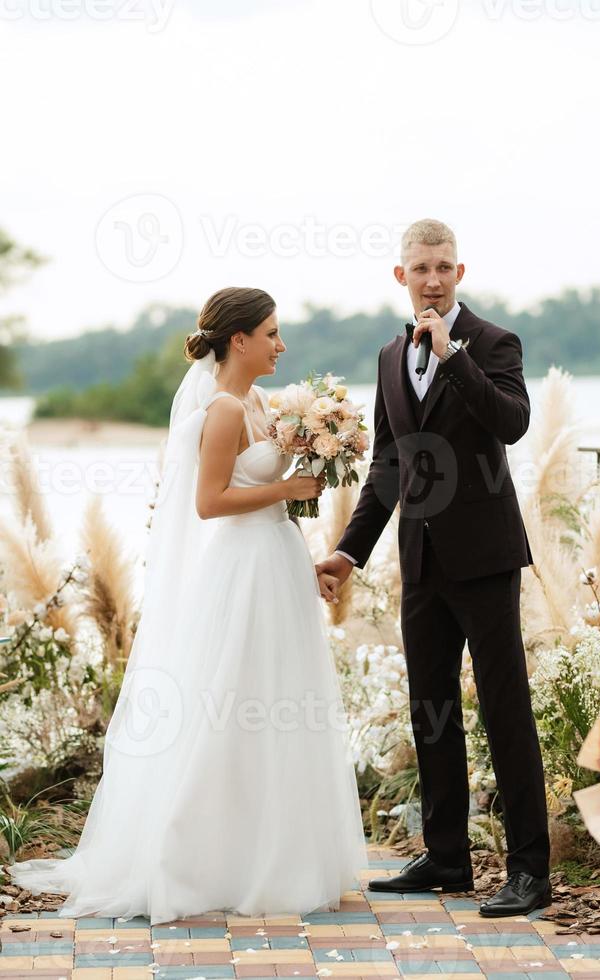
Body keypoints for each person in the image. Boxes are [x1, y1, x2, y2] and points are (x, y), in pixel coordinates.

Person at [8, 286, 367, 925]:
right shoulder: (224, 410)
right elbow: (208, 503)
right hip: (239, 566)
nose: (281, 345)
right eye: (272, 334)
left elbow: (265, 497)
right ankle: (202, 854)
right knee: (229, 702)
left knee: (282, 698)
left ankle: (279, 849)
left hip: (278, 558)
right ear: (240, 341)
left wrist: (302, 533)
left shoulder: (262, 402)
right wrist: (288, 484)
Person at [315, 220, 551, 918]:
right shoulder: (389, 357)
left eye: (445, 266)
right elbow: (387, 466)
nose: (433, 278)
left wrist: (453, 358)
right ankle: (447, 859)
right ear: (400, 276)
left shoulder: (494, 342)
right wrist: (349, 551)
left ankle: (529, 872)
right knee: (433, 709)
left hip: (485, 557)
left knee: (506, 710)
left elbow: (511, 422)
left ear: (460, 272)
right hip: (419, 560)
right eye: (420, 267)